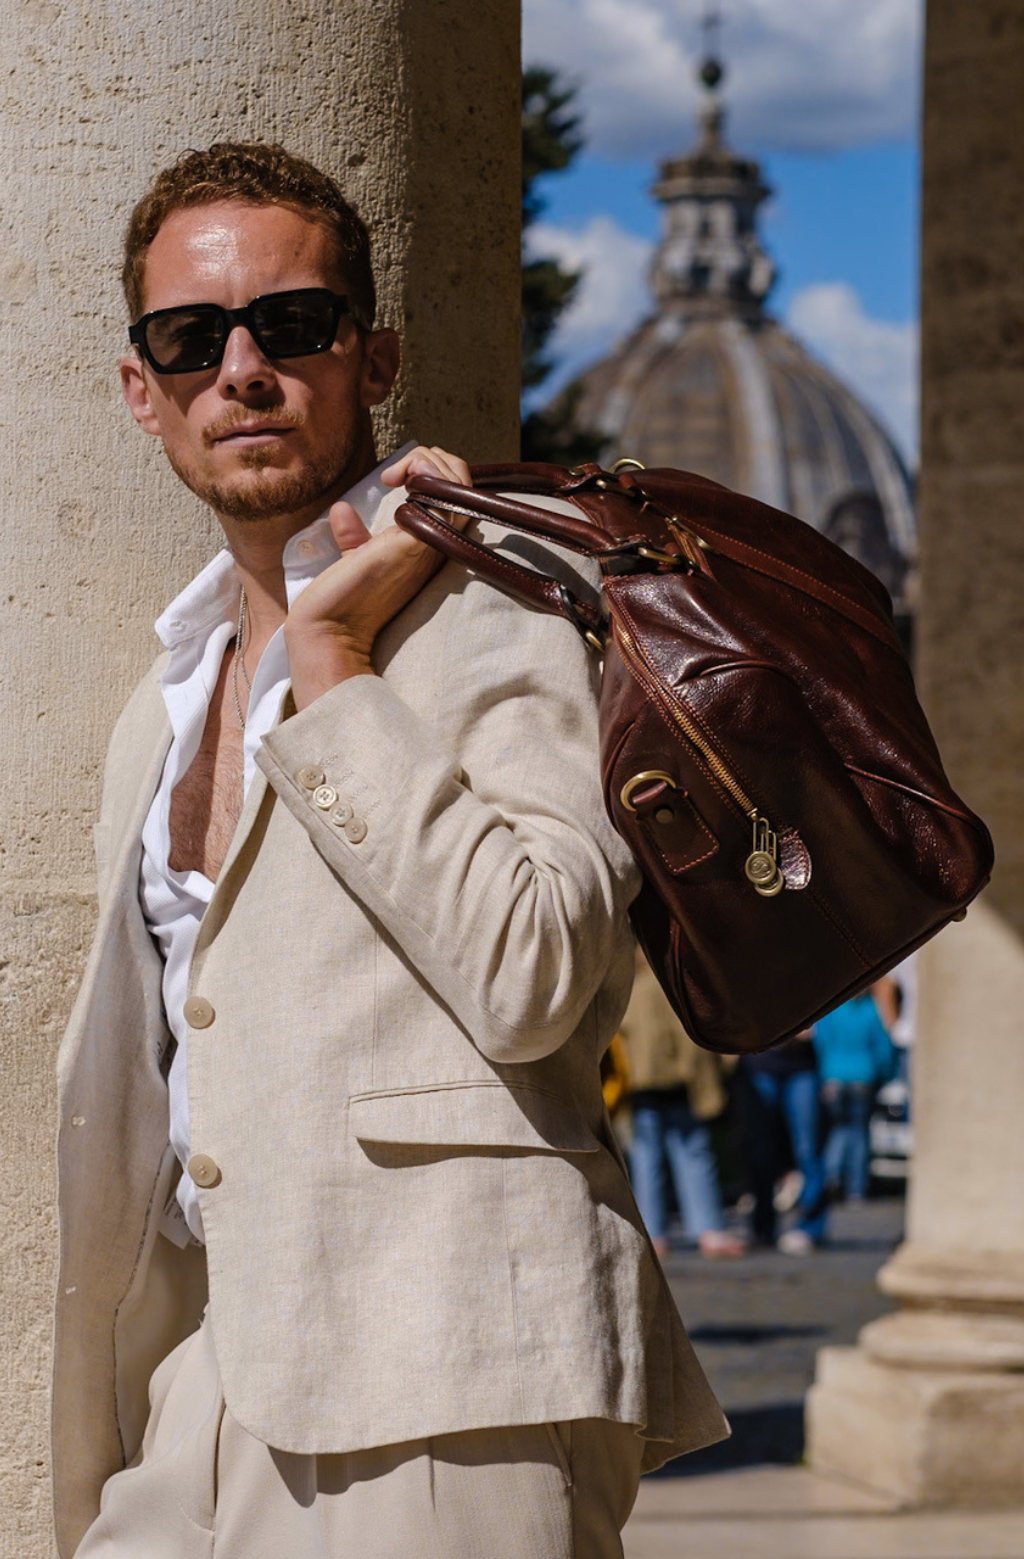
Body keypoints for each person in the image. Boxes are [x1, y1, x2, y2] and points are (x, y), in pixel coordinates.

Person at [53, 143, 727, 1559]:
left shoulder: (498, 613)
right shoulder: (163, 694)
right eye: (190, 339)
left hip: (450, 1363)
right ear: (141, 389)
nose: (242, 370)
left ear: (375, 358)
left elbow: (537, 968)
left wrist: (338, 662)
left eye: (291, 325)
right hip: (205, 1369)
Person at [617, 955, 745, 1261]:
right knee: (692, 1156)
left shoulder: (630, 985)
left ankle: (654, 1233)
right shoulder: (677, 984)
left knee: (648, 1160)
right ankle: (706, 1229)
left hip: (643, 1086)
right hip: (680, 1085)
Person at [735, 1032, 828, 1255]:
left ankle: (810, 1227)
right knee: (760, 1151)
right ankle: (762, 1227)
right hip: (759, 1064)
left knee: (808, 1150)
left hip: (801, 1065)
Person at [814, 986, 898, 1202]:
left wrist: (826, 1069)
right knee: (859, 1131)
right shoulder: (870, 1009)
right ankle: (856, 1187)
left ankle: (831, 1174)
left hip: (834, 1076)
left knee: (839, 1128)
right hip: (863, 1077)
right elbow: (883, 1048)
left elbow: (821, 1040)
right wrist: (885, 1074)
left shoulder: (833, 1009)